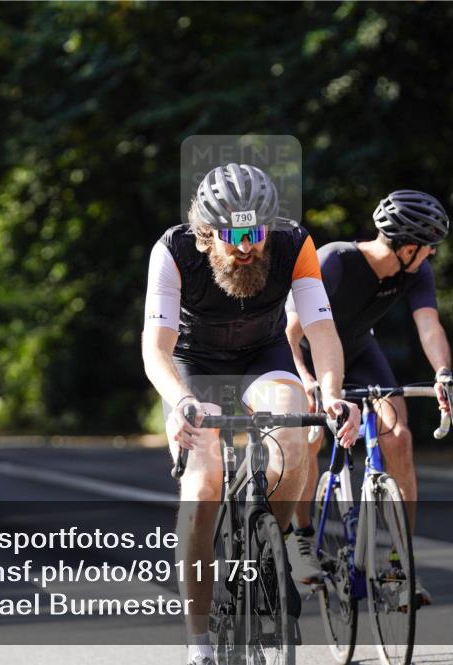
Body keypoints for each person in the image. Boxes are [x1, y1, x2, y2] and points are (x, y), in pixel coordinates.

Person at [142, 163, 361, 665]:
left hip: (263, 355)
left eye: (257, 232)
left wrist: (330, 394)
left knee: (293, 435)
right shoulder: (173, 251)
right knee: (202, 487)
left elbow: (322, 331)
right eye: (235, 234)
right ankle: (199, 642)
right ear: (205, 236)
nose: (248, 246)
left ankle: (269, 551)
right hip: (194, 364)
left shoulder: (293, 244)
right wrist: (180, 403)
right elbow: (156, 348)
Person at [284, 189, 453, 606]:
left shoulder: (415, 271)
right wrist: (307, 381)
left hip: (361, 354)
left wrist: (443, 373)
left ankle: (403, 561)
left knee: (399, 439)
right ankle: (304, 539)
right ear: (407, 247)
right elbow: (290, 334)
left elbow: (430, 326)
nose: (432, 255)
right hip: (308, 354)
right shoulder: (335, 261)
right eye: (428, 247)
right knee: (310, 440)